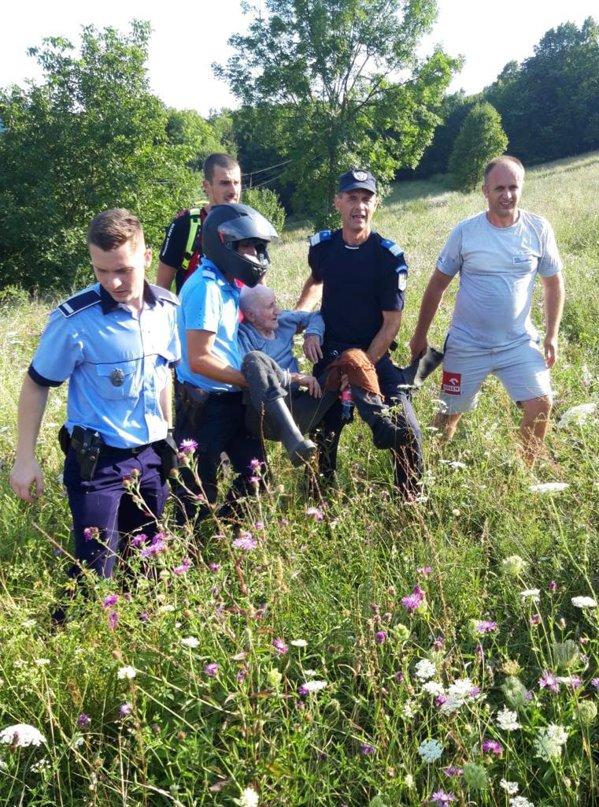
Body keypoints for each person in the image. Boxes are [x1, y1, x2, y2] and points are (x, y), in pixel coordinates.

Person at [9, 209, 180, 580]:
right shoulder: (75, 320)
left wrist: (168, 432)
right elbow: (36, 384)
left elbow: (163, 374)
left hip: (151, 457)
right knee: (96, 571)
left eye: (123, 270)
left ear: (147, 257)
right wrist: (24, 458)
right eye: (101, 271)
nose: (113, 282)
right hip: (98, 464)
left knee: (148, 567)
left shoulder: (167, 309)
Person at [409, 155, 565, 465]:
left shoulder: (538, 229)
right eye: (499, 188)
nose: (507, 195)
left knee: (541, 404)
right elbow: (437, 285)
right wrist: (420, 336)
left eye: (513, 187)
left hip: (518, 343)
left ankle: (524, 473)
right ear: (485, 191)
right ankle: (431, 469)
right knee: (447, 416)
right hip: (467, 344)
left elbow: (553, 284)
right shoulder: (466, 232)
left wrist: (552, 335)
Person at [295, 169, 423, 497]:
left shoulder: (387, 257)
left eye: (367, 199)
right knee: (320, 434)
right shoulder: (323, 248)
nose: (360, 206)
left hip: (375, 354)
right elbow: (316, 280)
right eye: (352, 198)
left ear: (376, 204)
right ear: (338, 202)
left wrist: (360, 368)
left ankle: (412, 502)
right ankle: (318, 502)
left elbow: (391, 323)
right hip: (331, 354)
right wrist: (302, 319)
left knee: (406, 428)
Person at [174, 203, 305, 523]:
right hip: (205, 406)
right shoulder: (206, 288)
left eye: (258, 247)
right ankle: (191, 545)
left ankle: (229, 532)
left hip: (231, 399)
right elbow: (200, 359)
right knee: (196, 494)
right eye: (248, 247)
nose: (256, 255)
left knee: (257, 478)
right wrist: (252, 380)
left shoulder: (227, 285)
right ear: (224, 244)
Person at [156, 153, 242, 294]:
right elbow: (161, 289)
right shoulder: (185, 224)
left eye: (237, 183)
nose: (233, 190)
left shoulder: (249, 225)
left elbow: (261, 289)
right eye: (225, 183)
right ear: (207, 186)